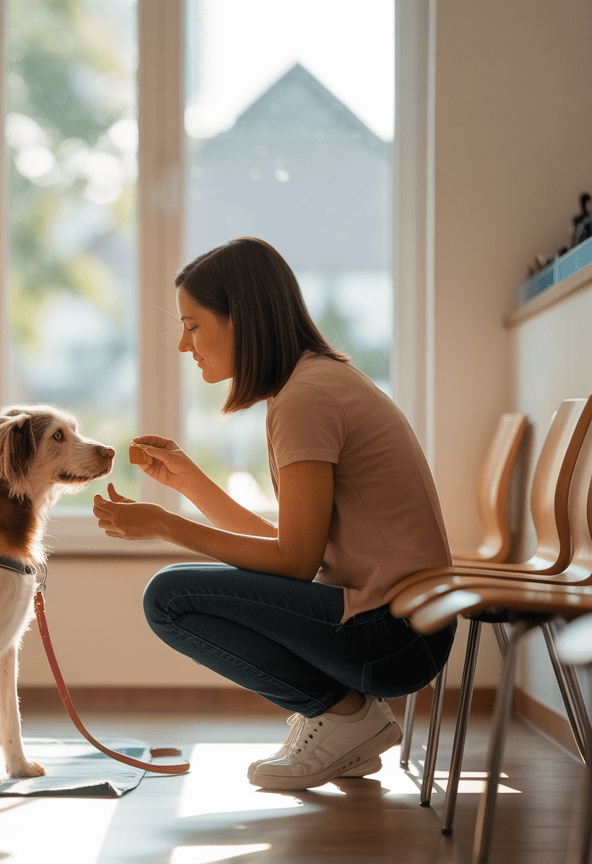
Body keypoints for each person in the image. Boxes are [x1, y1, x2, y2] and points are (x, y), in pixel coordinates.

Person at [93, 237, 456, 790]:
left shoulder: (306, 399)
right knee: (177, 591)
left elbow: (293, 563)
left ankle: (341, 716)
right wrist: (190, 483)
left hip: (393, 636)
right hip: (402, 626)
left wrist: (166, 525)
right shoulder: (313, 383)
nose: (183, 345)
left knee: (169, 598)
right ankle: (345, 724)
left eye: (192, 325)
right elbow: (293, 547)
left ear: (239, 318)